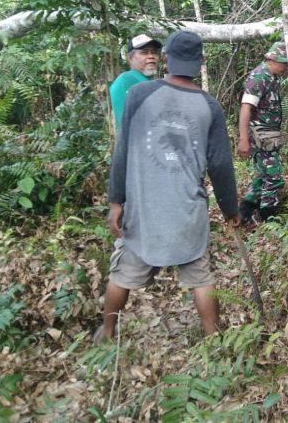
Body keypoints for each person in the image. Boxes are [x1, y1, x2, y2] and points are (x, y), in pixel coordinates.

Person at [97, 30, 240, 341]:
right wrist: (231, 210)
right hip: (187, 210)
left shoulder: (139, 95)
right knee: (201, 278)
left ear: (166, 59)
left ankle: (107, 332)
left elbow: (123, 150)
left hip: (144, 209)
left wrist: (116, 201)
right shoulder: (209, 106)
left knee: (122, 274)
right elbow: (220, 166)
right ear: (201, 62)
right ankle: (214, 337)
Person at [237, 41, 288, 226]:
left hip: (269, 135)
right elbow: (246, 108)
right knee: (274, 177)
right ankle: (269, 216)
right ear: (273, 59)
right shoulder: (258, 77)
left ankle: (244, 211)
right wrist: (243, 139)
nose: (286, 68)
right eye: (284, 63)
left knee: (262, 175)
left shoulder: (273, 77)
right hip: (259, 136)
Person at [109, 34, 163, 128]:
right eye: (144, 53)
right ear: (130, 58)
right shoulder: (125, 81)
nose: (151, 56)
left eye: (153, 52)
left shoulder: (151, 82)